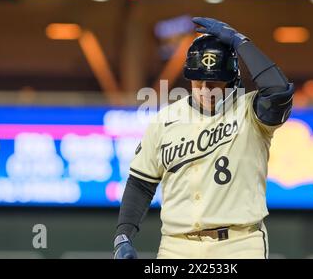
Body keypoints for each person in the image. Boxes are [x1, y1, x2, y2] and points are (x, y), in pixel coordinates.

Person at [113, 17, 294, 259]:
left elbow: (279, 92)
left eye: (214, 82)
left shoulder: (250, 111)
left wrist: (241, 43)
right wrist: (123, 234)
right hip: (177, 246)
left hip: (239, 244)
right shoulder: (165, 119)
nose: (206, 88)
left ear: (231, 81)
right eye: (200, 81)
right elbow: (141, 183)